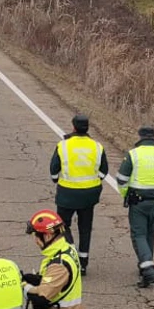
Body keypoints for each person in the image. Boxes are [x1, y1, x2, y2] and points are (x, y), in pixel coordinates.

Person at [115, 126, 154, 288]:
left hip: (138, 201)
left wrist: (126, 194)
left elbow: (121, 179)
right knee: (150, 233)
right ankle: (145, 264)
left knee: (138, 235)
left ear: (140, 136)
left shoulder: (133, 154)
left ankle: (148, 268)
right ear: (153, 138)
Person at [50, 114, 107, 274]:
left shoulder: (63, 145)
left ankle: (70, 255)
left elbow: (54, 170)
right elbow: (104, 171)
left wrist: (57, 180)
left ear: (73, 127)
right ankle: (83, 263)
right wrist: (93, 182)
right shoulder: (97, 146)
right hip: (89, 195)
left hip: (67, 193)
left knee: (62, 226)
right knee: (85, 228)